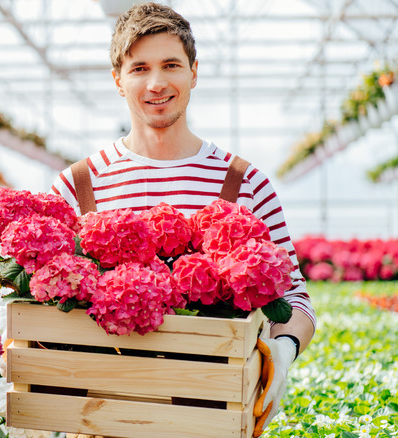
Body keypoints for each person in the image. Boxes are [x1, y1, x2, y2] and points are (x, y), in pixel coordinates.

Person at [51, 2, 316, 436]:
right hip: (101, 417)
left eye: (171, 65)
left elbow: (295, 298)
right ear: (118, 80)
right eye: (139, 69)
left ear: (194, 72)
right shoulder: (77, 185)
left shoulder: (246, 183)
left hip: (209, 414)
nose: (156, 83)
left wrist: (283, 351)